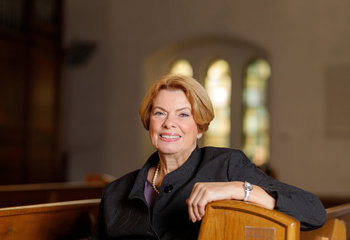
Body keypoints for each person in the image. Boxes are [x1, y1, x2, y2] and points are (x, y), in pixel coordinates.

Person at [91, 74, 326, 240]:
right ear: (148, 121)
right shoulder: (115, 193)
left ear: (200, 127)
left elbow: (313, 212)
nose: (169, 123)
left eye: (183, 114)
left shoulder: (226, 166)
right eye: (160, 113)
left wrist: (236, 189)